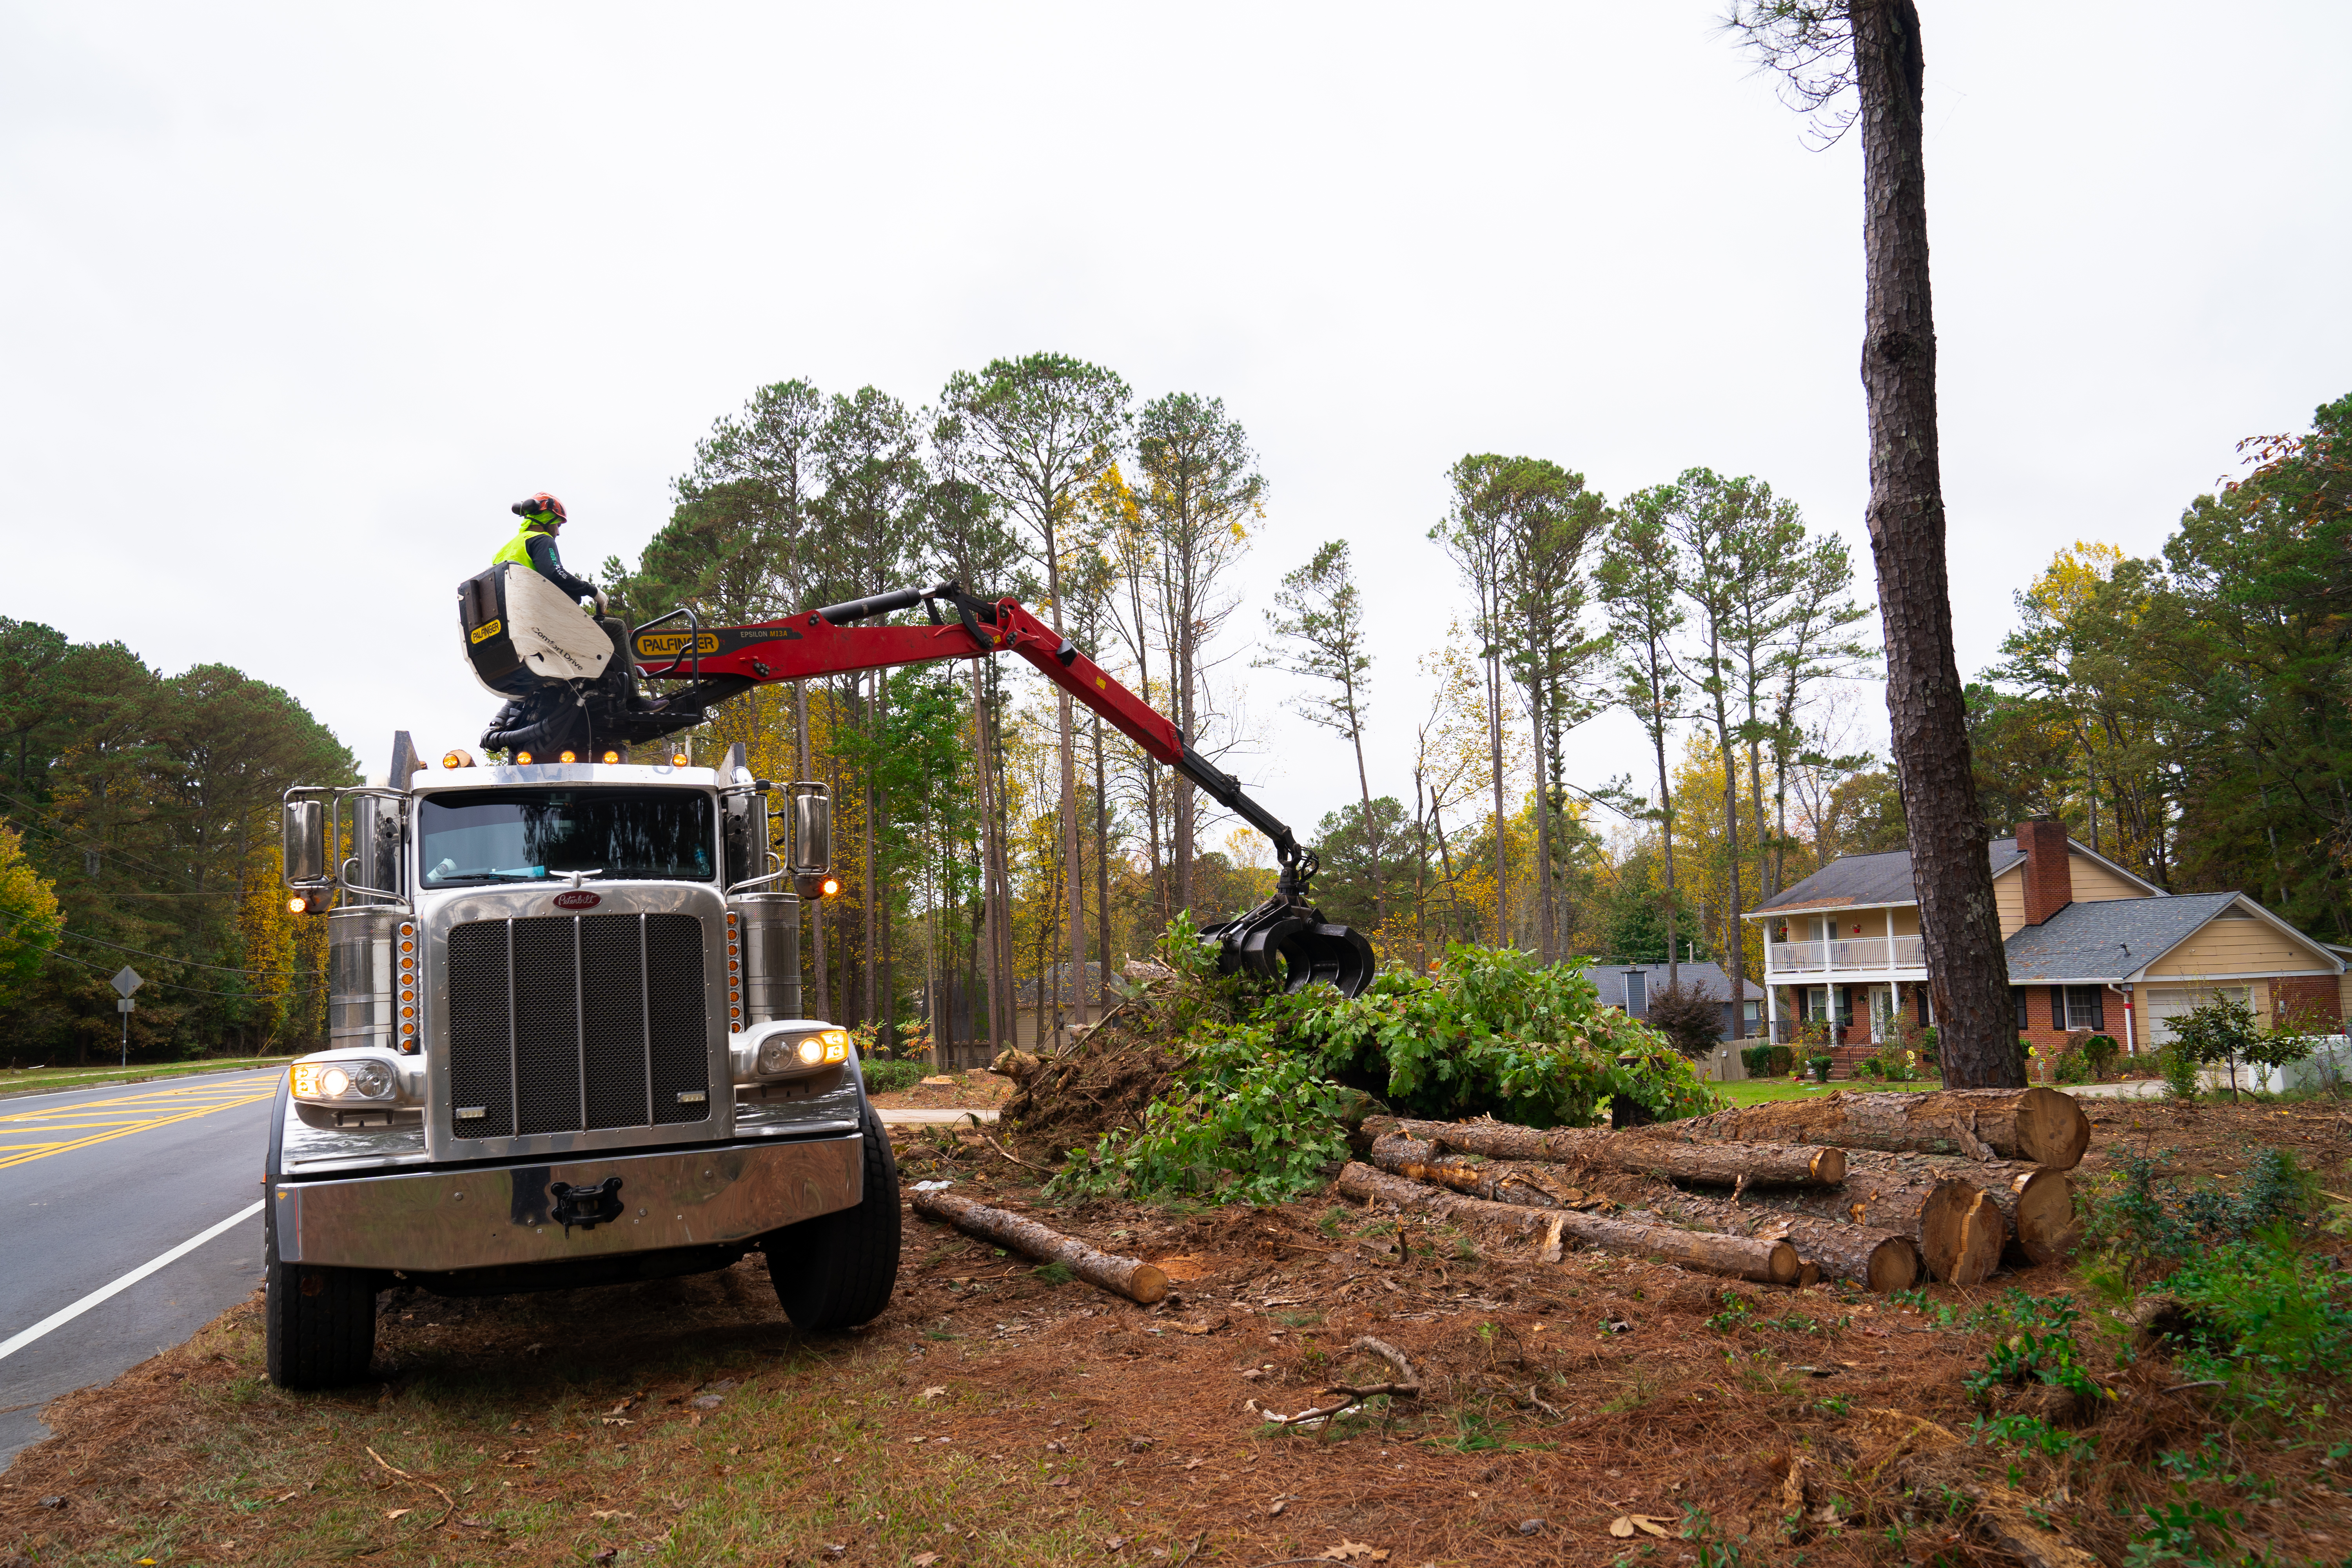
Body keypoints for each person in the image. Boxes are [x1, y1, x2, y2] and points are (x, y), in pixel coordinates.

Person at [493, 492, 608, 613]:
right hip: (539, 613)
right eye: (558, 525)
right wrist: (593, 591)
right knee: (618, 627)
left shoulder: (504, 550)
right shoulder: (542, 539)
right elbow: (555, 574)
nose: (558, 533)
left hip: (513, 612)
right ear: (547, 520)